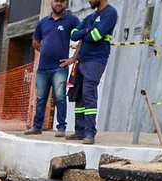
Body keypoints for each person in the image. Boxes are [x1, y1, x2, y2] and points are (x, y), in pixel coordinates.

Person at [63, 0, 118, 145]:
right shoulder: (91, 17)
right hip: (82, 60)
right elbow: (73, 35)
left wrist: (85, 33)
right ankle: (79, 131)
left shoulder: (110, 13)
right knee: (79, 95)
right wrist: (87, 31)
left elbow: (96, 36)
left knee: (89, 94)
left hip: (96, 60)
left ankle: (89, 133)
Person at [24, 0, 80, 137]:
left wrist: (73, 58)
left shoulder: (71, 20)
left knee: (60, 97)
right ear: (51, 2)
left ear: (65, 3)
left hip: (60, 67)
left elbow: (82, 38)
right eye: (56, 1)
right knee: (41, 98)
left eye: (61, 1)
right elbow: (35, 42)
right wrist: (45, 50)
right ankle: (37, 126)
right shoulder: (43, 22)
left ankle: (61, 127)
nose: (58, 4)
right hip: (43, 68)